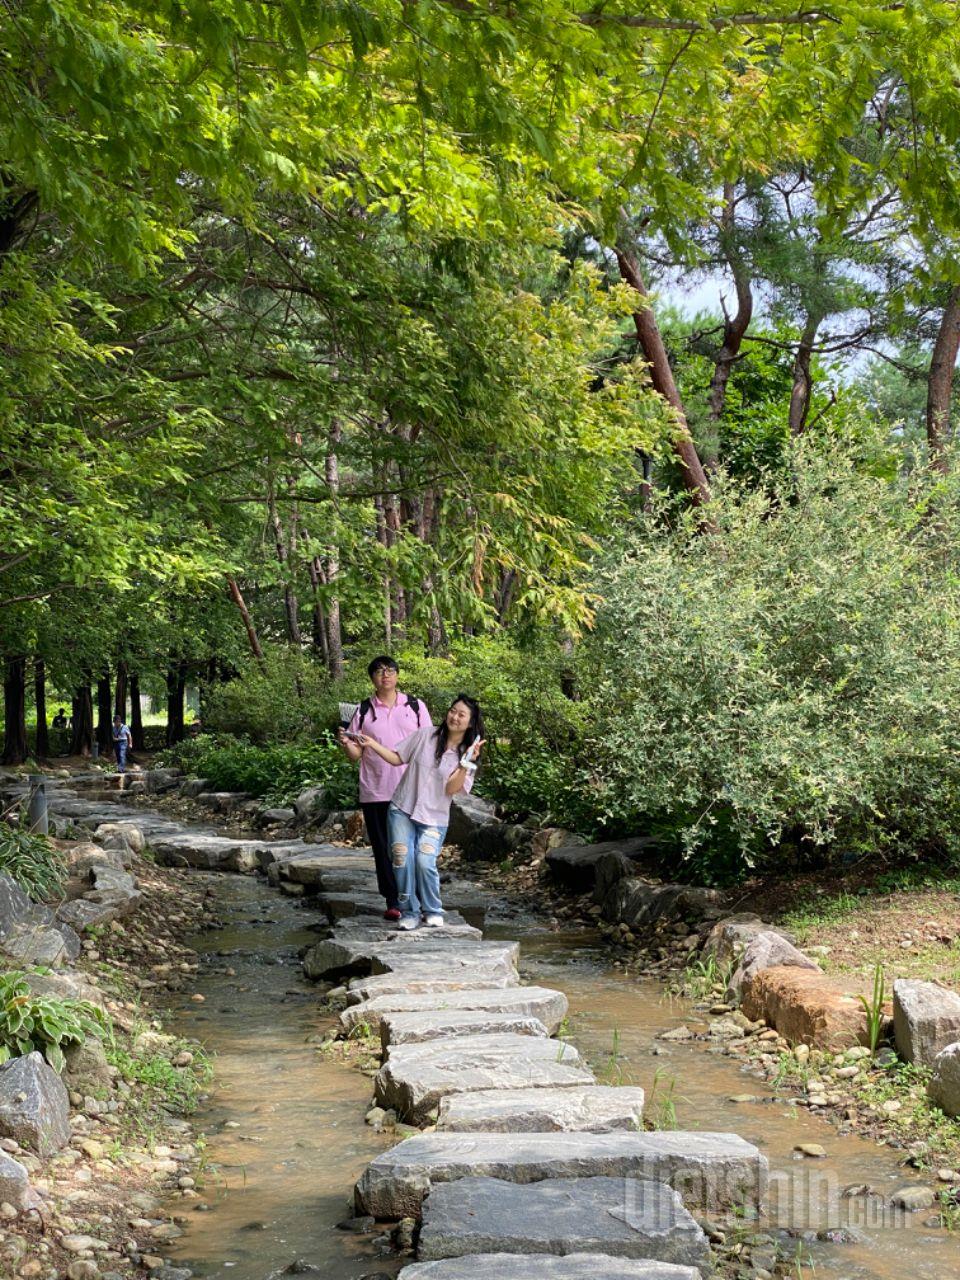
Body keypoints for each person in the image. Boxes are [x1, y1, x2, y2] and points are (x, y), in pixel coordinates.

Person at [357, 694, 485, 931]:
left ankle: (432, 909)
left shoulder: (467, 754)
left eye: (461, 714)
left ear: (470, 723)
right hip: (402, 808)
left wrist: (466, 763)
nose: (454, 717)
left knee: (425, 862)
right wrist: (372, 744)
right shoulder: (426, 735)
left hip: (434, 817)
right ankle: (409, 911)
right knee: (401, 858)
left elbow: (452, 789)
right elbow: (397, 758)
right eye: (453, 710)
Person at [337, 657, 431, 922]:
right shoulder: (363, 710)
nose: (385, 675)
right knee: (383, 848)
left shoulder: (415, 706)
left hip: (410, 789)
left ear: (398, 675)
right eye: (379, 671)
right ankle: (393, 900)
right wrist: (345, 742)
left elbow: (428, 742)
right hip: (376, 789)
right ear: (372, 678)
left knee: (410, 847)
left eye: (390, 670)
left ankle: (419, 899)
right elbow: (355, 754)